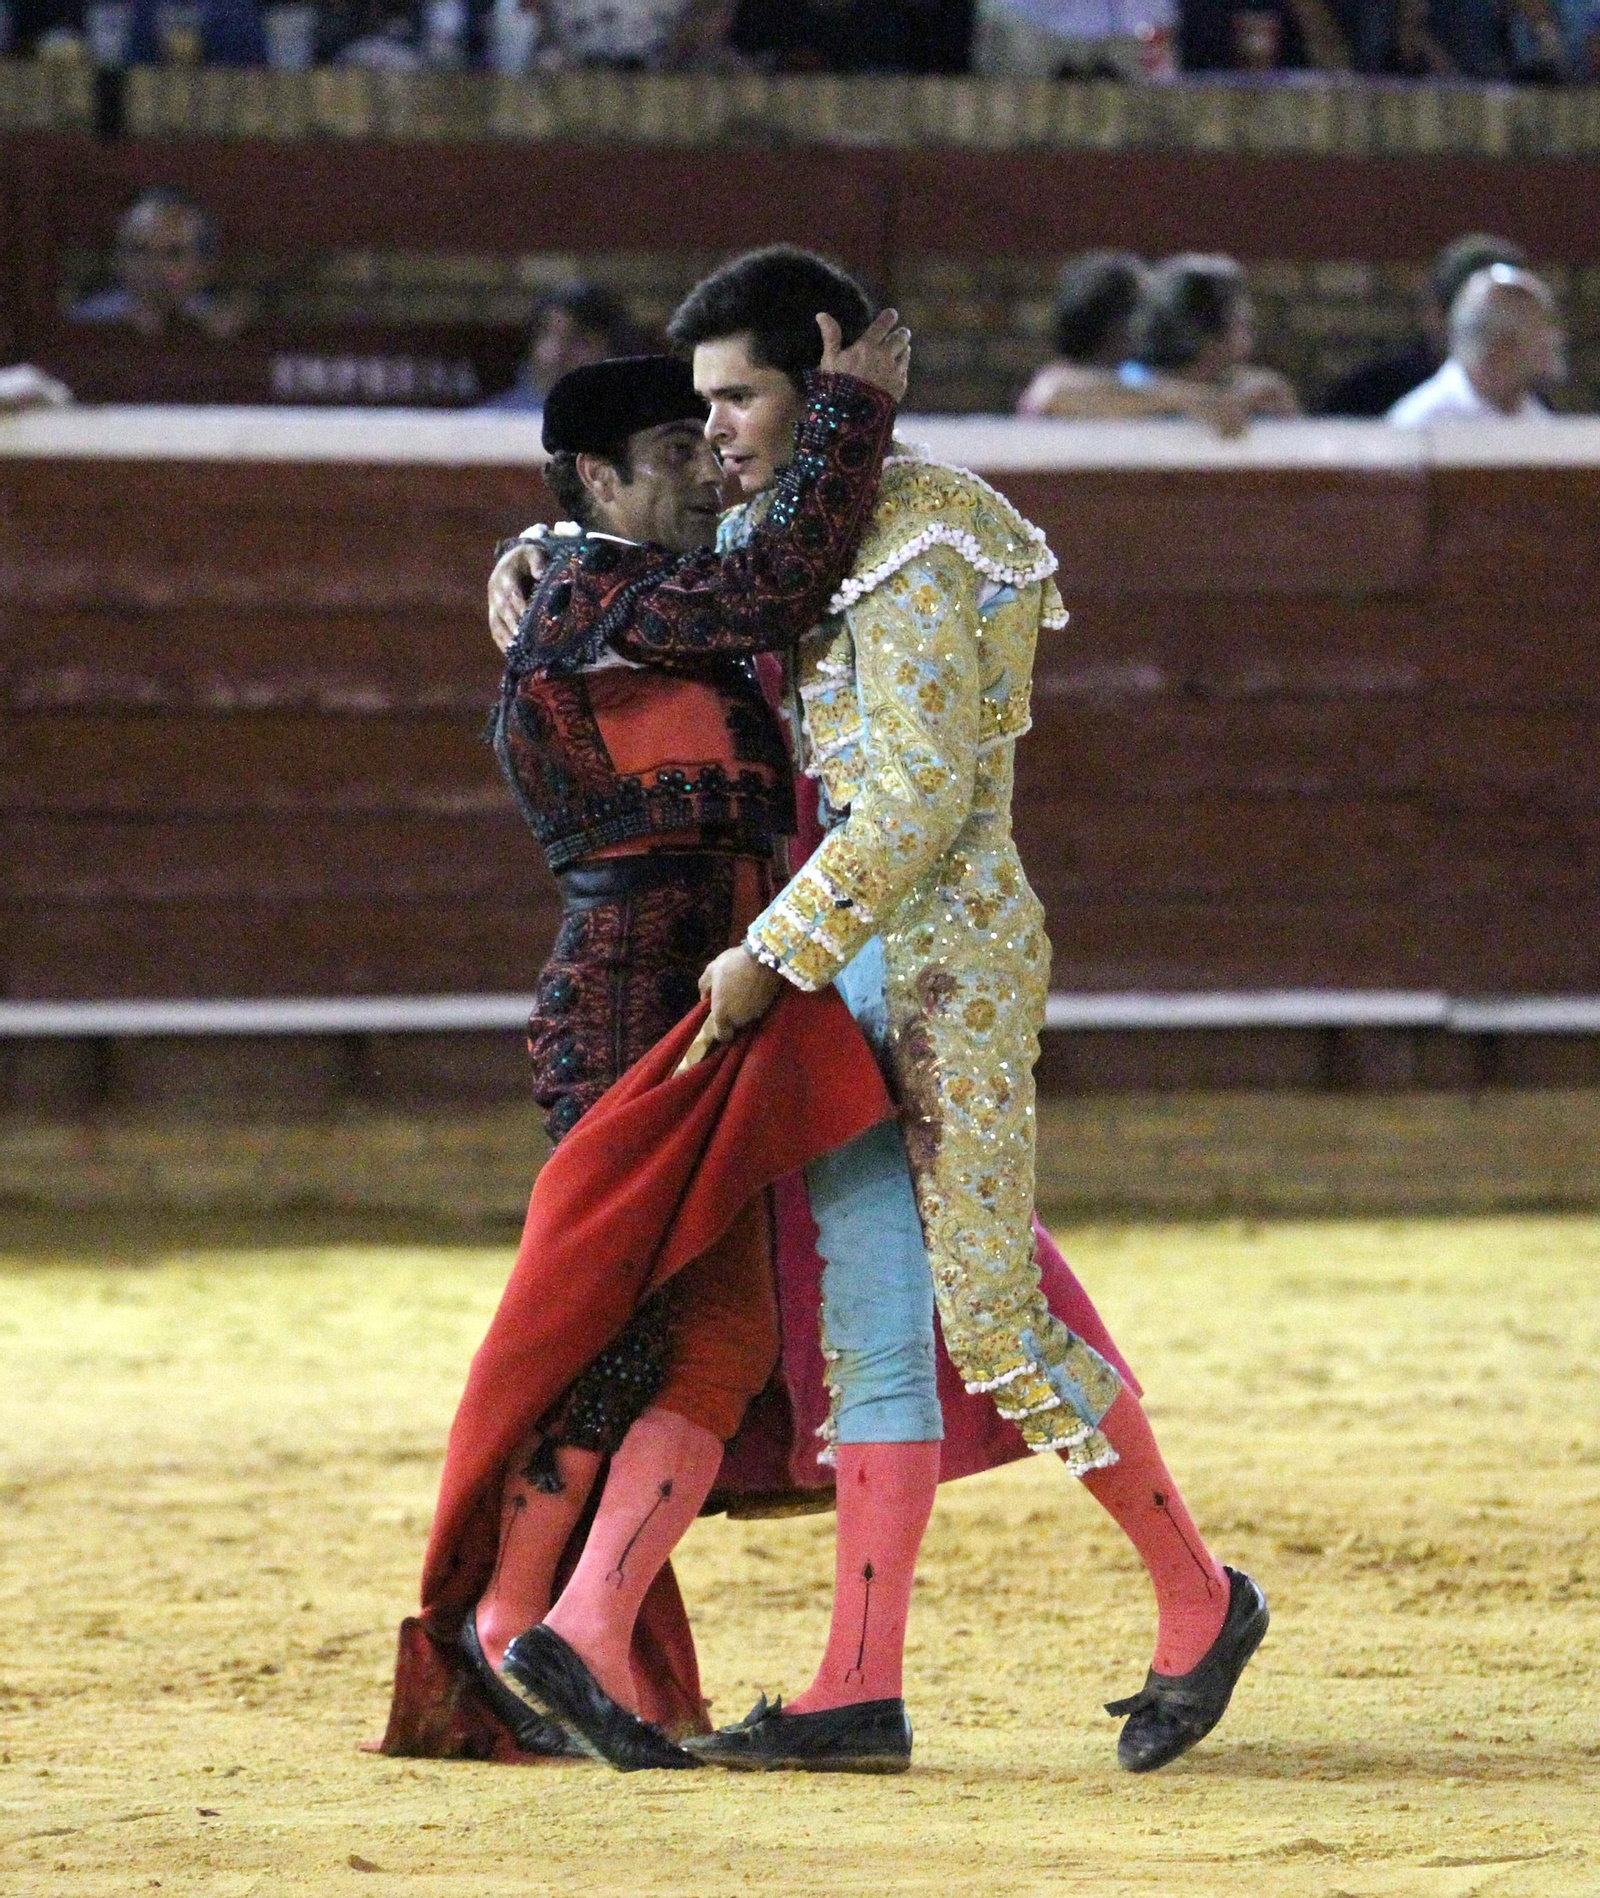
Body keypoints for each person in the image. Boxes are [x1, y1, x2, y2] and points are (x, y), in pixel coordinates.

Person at [663, 246, 1264, 1775]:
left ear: (818, 364)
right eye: (705, 404)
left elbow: (924, 791)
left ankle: (1203, 1598)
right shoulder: (783, 530)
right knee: (872, 1317)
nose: (720, 426)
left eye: (739, 393)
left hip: (948, 960)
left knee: (988, 1309)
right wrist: (536, 546)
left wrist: (770, 951)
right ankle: (857, 1681)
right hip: (849, 963)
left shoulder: (929, 529)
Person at [379, 333, 911, 1772]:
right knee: (618, 1324)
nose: (699, 470)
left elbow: (757, 571)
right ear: (603, 474)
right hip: (638, 1003)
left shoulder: (604, 582)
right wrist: (857, 403)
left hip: (705, 994)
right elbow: (774, 578)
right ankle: (509, 1623)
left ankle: (570, 1633)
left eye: (705, 442)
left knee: (717, 1336)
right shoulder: (606, 597)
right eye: (671, 453)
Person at [1017, 250, 1249, 435]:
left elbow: (1143, 385)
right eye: (1147, 311)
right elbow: (1054, 393)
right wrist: (1192, 399)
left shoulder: (1132, 377)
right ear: (1117, 324)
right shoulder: (1064, 380)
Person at [1318, 232, 1528, 418]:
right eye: (1483, 326)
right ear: (1435, 315)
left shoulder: (1527, 405)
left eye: (1512, 329)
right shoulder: (1368, 396)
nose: (1498, 344)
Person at [1122, 253, 1300, 421]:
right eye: (1241, 321)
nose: (1250, 332)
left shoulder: (1249, 390)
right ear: (1211, 337)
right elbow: (1104, 391)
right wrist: (1199, 401)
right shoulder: (1132, 376)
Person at [1387, 264, 1565, 426]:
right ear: (1502, 343)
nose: (1554, 338)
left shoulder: (1538, 418)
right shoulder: (1422, 421)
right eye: (1539, 328)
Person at [69, 190, 250, 341]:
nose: (154, 267)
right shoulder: (86, 323)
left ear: (204, 267)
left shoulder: (229, 323)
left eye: (174, 254)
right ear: (117, 262)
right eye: (139, 251)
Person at [477, 282, 641, 414]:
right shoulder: (493, 421)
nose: (556, 354)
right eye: (547, 335)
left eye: (578, 341)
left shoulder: (637, 426)